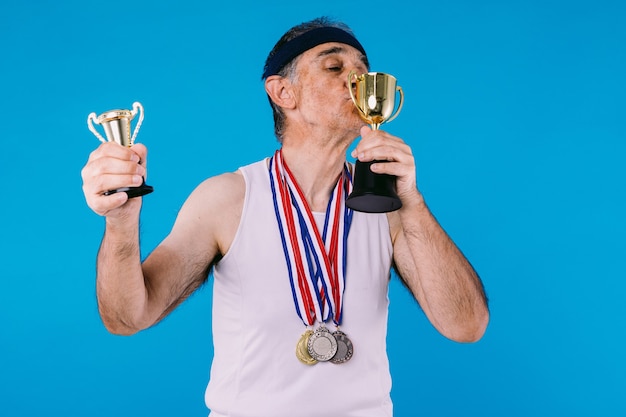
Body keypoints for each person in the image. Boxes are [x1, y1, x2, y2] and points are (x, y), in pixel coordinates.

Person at [81, 17, 489, 417]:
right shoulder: (227, 199)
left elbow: (466, 326)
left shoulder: (388, 209)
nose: (357, 80)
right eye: (335, 67)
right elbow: (127, 317)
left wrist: (413, 203)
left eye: (364, 72)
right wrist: (120, 224)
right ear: (282, 93)